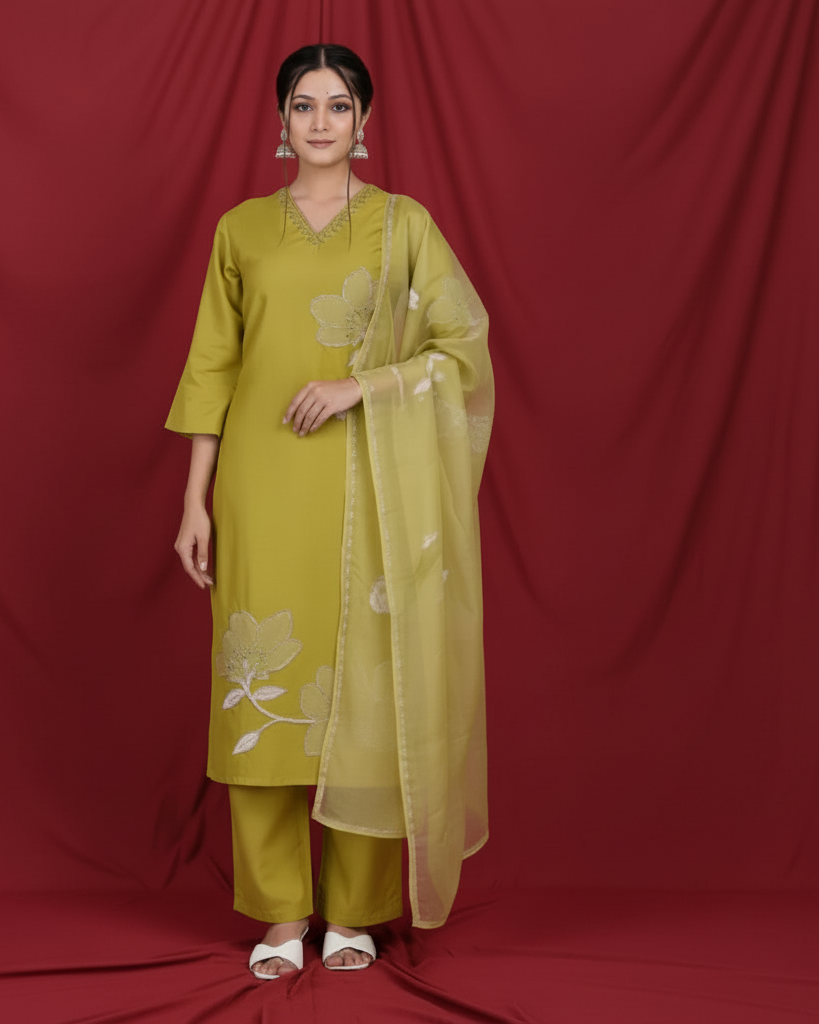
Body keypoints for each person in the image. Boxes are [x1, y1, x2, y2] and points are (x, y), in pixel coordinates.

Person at [165, 43, 494, 979]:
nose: (319, 121)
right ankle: (278, 914)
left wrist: (365, 388)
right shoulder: (241, 232)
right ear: (280, 123)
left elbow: (461, 349)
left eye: (338, 105)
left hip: (372, 490)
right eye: (303, 105)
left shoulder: (404, 227)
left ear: (363, 122)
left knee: (368, 686)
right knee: (258, 689)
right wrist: (195, 500)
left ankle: (353, 909)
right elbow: (211, 367)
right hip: (262, 486)